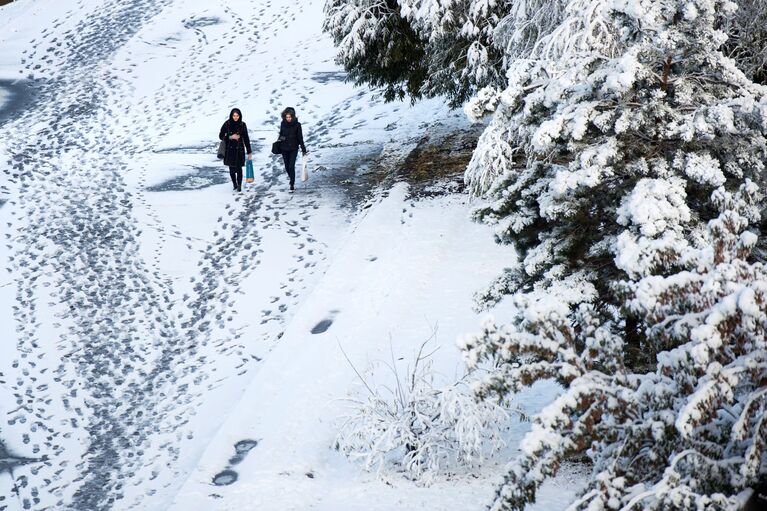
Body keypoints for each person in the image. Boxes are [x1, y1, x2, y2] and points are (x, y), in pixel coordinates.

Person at [219, 108, 252, 192]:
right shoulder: (227, 124)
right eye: (234, 115)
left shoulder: (242, 124)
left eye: (237, 116)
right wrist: (230, 137)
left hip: (239, 149)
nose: (235, 117)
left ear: (240, 116)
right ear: (231, 115)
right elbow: (220, 135)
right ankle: (234, 184)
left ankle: (239, 185)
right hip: (229, 150)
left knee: (239, 168)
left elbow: (246, 138)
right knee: (232, 169)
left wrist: (249, 151)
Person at [277, 107, 307, 192]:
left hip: (294, 148)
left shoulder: (298, 125)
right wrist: (281, 139)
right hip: (284, 148)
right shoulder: (283, 123)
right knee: (287, 167)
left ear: (293, 116)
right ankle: (292, 179)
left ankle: (292, 183)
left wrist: (303, 149)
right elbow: (281, 134)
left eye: (290, 117)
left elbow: (300, 137)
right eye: (287, 117)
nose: (288, 119)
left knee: (291, 166)